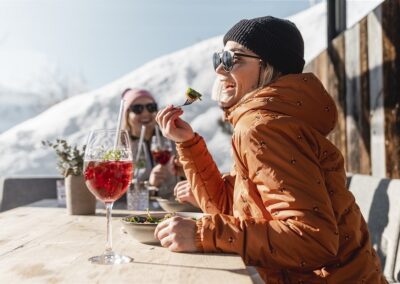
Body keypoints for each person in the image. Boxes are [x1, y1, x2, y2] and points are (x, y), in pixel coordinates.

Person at [154, 16, 387, 283]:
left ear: (269, 67)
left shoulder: (263, 128)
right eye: (218, 58)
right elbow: (228, 208)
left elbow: (313, 240)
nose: (219, 70)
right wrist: (189, 144)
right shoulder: (262, 122)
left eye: (232, 58)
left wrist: (204, 233)